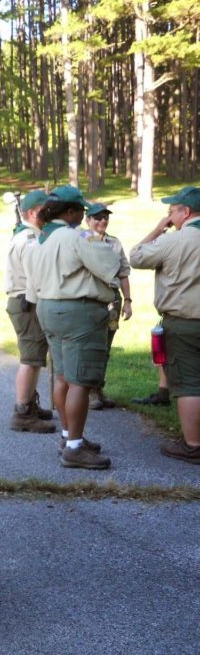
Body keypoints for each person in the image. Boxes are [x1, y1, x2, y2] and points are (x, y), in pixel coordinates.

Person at [26, 185, 120, 470]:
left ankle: (69, 437)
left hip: (47, 308)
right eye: (81, 210)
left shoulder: (40, 238)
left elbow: (31, 285)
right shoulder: (77, 236)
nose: (83, 216)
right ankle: (75, 449)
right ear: (70, 211)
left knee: (62, 377)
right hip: (78, 311)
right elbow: (110, 266)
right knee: (80, 380)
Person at [129, 185, 200, 464]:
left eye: (171, 211)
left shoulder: (174, 241)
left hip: (184, 323)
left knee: (188, 384)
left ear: (186, 212)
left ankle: (193, 445)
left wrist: (158, 229)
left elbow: (136, 256)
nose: (169, 216)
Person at [3, 189, 57, 432]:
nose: (50, 213)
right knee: (30, 359)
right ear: (34, 212)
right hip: (27, 302)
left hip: (25, 301)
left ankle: (29, 404)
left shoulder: (28, 235)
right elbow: (36, 275)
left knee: (34, 358)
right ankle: (22, 412)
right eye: (46, 209)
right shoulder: (29, 239)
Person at [83, 203, 133, 410]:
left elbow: (124, 273)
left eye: (105, 217)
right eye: (97, 217)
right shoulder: (81, 240)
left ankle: (99, 388)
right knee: (91, 346)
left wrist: (128, 301)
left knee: (106, 345)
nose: (102, 221)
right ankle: (89, 391)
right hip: (91, 299)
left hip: (113, 299)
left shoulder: (114, 242)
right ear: (88, 220)